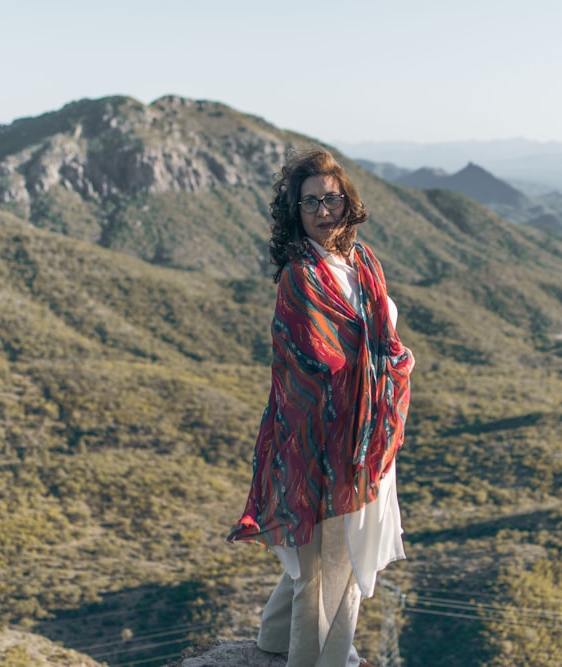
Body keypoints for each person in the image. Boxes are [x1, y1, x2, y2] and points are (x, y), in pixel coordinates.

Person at [228, 147, 415, 667]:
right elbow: (312, 365)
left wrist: (392, 366)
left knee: (323, 552)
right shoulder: (300, 277)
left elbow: (375, 340)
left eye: (331, 197)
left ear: (347, 201)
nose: (323, 209)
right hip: (328, 437)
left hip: (366, 426)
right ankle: (326, 658)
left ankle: (274, 637)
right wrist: (387, 368)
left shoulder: (362, 262)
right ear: (295, 212)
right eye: (310, 202)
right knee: (338, 557)